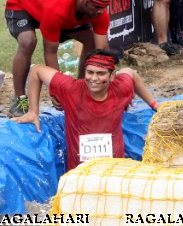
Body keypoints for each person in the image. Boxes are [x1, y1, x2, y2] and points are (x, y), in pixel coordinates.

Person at [13, 49, 160, 172]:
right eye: (90, 72)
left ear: (112, 75)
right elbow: (36, 70)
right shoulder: (71, 89)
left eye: (101, 73)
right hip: (80, 173)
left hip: (115, 170)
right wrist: (33, 111)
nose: (93, 78)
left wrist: (154, 104)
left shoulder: (121, 88)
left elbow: (131, 72)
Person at [4, 0, 117, 116]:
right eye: (97, 6)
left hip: (53, 8)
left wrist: (105, 84)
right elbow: (50, 53)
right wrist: (57, 90)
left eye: (104, 7)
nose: (101, 11)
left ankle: (82, 89)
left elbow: (102, 52)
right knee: (28, 41)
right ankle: (19, 99)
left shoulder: (99, 12)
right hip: (23, 4)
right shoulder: (56, 9)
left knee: (92, 42)